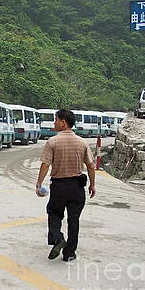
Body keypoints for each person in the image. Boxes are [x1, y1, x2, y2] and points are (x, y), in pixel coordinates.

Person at [35, 109, 96, 262]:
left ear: (63, 122)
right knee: (73, 220)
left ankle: (58, 238)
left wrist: (39, 184)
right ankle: (69, 253)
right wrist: (92, 185)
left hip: (59, 186)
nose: (54, 123)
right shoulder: (82, 142)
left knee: (54, 213)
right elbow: (90, 165)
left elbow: (45, 164)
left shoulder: (53, 141)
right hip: (77, 188)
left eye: (56, 120)